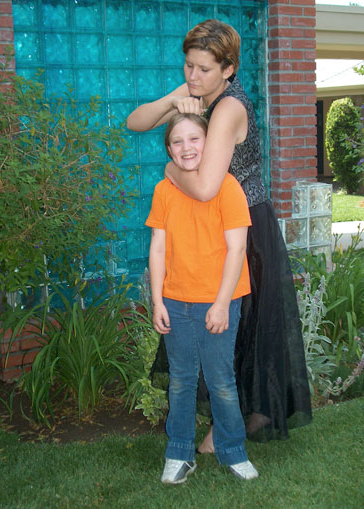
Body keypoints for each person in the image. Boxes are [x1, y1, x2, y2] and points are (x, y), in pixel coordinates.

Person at [127, 19, 312, 451]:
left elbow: (206, 186)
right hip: (212, 229)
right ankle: (232, 421)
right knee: (220, 325)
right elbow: (136, 122)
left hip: (243, 230)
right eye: (188, 65)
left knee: (238, 326)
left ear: (228, 69)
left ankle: (231, 425)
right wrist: (174, 99)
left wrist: (170, 169)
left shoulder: (228, 108)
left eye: (203, 69)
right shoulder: (197, 92)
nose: (193, 76)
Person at [146, 112, 258, 484]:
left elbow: (237, 248)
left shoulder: (228, 187)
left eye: (194, 138)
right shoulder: (164, 191)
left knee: (220, 379)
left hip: (219, 301)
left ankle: (233, 451)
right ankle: (179, 453)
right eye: (177, 142)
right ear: (169, 150)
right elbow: (158, 248)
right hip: (175, 302)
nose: (186, 148)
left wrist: (222, 304)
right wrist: (158, 301)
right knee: (181, 380)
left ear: (209, 143)